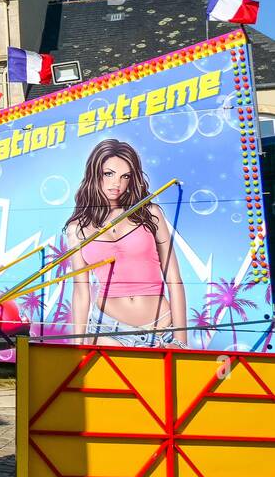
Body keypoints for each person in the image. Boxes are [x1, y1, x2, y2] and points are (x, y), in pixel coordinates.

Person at [64, 139, 186, 347]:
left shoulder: (151, 214)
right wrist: (78, 345)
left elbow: (174, 279)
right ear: (96, 175)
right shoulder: (77, 228)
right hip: (106, 331)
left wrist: (181, 340)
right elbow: (81, 290)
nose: (117, 183)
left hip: (160, 329)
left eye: (125, 176)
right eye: (109, 174)